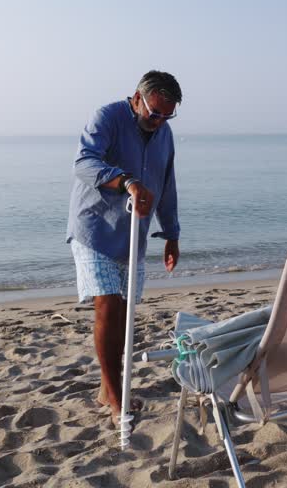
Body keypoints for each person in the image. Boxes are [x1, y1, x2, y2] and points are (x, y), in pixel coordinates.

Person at [67, 70, 182, 425]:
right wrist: (126, 181)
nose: (160, 121)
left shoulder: (164, 134)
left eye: (168, 115)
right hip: (95, 227)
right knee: (108, 306)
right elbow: (84, 162)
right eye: (154, 113)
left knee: (124, 314)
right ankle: (117, 399)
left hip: (134, 234)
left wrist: (172, 235)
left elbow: (166, 183)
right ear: (137, 99)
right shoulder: (107, 117)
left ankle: (107, 387)